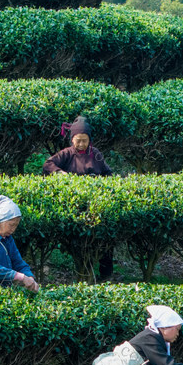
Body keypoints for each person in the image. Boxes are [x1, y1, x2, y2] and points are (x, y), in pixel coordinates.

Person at [42, 115, 115, 280]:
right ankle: (81, 271)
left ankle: (106, 274)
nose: (81, 144)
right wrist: (61, 173)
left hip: (96, 201)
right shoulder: (67, 154)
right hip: (76, 204)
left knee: (103, 237)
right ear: (72, 139)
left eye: (85, 140)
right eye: (78, 140)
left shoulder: (95, 154)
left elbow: (108, 172)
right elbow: (47, 164)